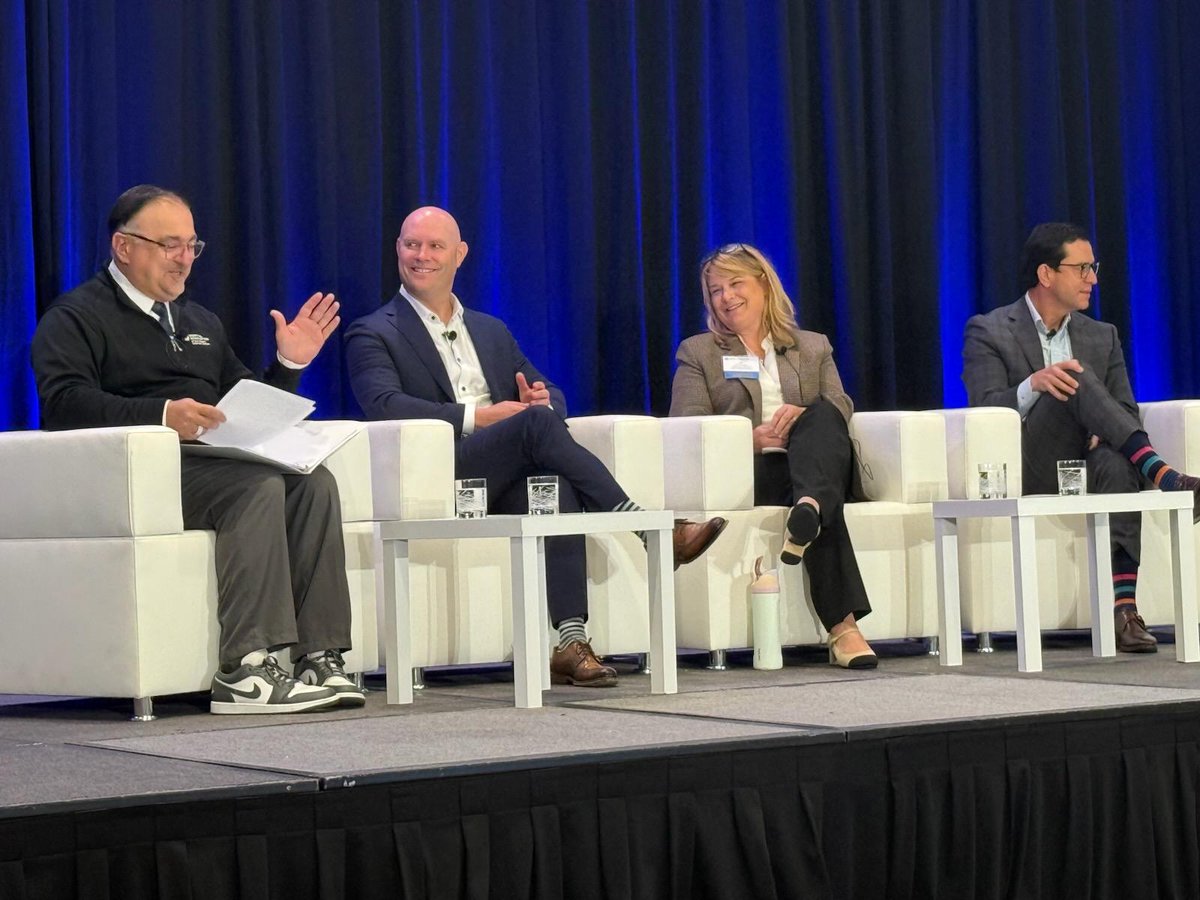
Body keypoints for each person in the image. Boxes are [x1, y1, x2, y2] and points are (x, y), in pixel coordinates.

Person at [345, 206, 727, 687]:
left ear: (459, 255)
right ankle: (650, 529)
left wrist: (539, 401)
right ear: (397, 249)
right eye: (411, 244)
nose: (421, 255)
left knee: (551, 485)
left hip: (505, 471)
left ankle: (571, 641)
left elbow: (553, 396)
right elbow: (383, 405)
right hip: (441, 471)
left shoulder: (490, 330)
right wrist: (480, 417)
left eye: (435, 246)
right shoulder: (374, 330)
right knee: (534, 428)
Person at [31, 184, 364, 712]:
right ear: (123, 247)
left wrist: (289, 365)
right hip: (141, 469)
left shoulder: (200, 322)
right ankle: (247, 669)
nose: (184, 259)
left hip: (212, 461)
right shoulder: (75, 317)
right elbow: (64, 404)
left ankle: (319, 656)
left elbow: (245, 404)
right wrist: (164, 414)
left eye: (192, 246)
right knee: (255, 487)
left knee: (313, 484)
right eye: (170, 245)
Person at [962, 221, 1200, 652]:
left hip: (1090, 460)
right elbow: (984, 408)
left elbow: (1125, 411)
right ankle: (1163, 474)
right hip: (1032, 462)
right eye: (1082, 268)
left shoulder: (1101, 335)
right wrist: (1033, 384)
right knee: (1073, 375)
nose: (1092, 279)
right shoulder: (989, 329)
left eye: (1093, 268)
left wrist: (1100, 432)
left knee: (1117, 464)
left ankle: (1124, 610)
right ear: (1046, 273)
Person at [670, 243, 877, 669]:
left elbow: (841, 404)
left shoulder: (812, 346)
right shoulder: (699, 352)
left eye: (735, 284)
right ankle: (844, 628)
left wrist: (802, 415)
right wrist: (748, 440)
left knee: (823, 413)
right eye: (715, 290)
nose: (726, 297)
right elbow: (685, 425)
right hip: (756, 472)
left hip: (814, 460)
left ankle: (810, 505)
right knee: (818, 495)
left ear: (764, 284)